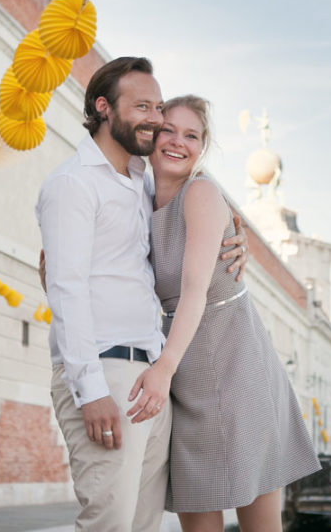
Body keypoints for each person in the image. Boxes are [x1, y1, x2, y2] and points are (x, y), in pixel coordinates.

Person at [35, 58, 247, 531]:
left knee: (146, 526)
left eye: (157, 105)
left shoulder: (140, 180)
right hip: (106, 375)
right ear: (104, 107)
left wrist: (237, 233)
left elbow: (194, 204)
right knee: (107, 523)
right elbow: (66, 292)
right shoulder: (73, 184)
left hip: (150, 379)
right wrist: (90, 393)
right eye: (143, 106)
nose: (155, 117)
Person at [128, 95, 321, 532]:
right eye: (168, 131)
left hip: (236, 368)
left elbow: (194, 290)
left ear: (203, 146)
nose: (178, 142)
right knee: (197, 519)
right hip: (186, 377)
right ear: (152, 135)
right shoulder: (135, 194)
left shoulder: (202, 191)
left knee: (259, 524)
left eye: (191, 135)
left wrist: (162, 368)